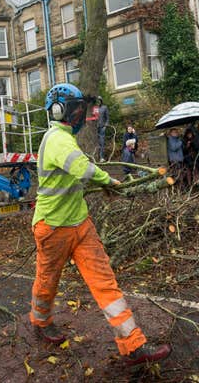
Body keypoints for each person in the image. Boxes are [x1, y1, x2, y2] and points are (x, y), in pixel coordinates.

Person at [31, 83, 171, 366]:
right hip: (54, 227)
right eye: (77, 108)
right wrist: (110, 181)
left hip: (80, 224)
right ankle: (40, 320)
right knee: (47, 281)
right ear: (60, 111)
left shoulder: (66, 138)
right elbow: (83, 168)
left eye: (82, 108)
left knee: (105, 282)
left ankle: (133, 345)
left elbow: (78, 176)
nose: (81, 113)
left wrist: (101, 182)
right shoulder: (56, 139)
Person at [87, 96, 109, 162]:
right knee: (96, 142)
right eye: (97, 101)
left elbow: (107, 118)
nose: (98, 102)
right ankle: (95, 157)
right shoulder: (95, 108)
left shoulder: (104, 107)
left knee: (102, 142)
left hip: (102, 127)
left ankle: (102, 157)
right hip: (96, 128)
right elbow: (94, 117)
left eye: (99, 101)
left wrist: (105, 126)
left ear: (101, 101)